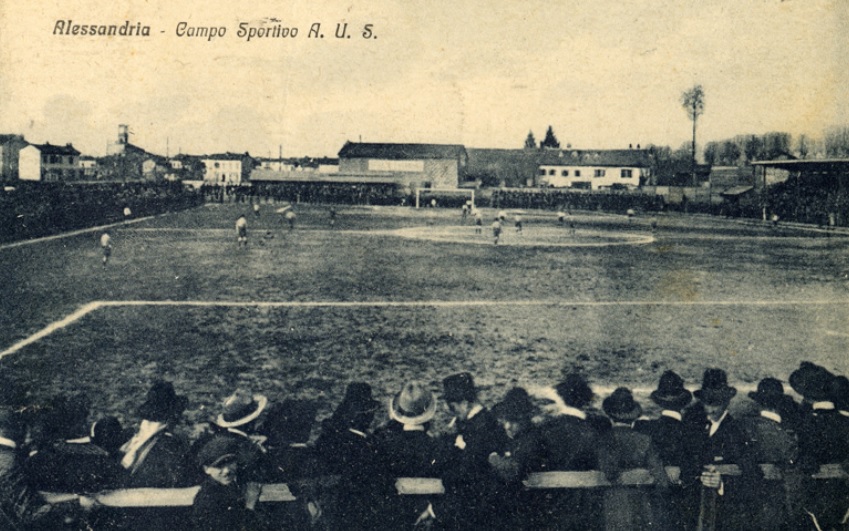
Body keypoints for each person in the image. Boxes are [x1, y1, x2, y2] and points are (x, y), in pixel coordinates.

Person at [682, 368, 759, 531]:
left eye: (716, 404)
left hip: (726, 518)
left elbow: (753, 476)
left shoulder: (738, 433)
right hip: (697, 515)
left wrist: (723, 484)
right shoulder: (694, 429)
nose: (710, 409)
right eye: (706, 403)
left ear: (726, 402)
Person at [534, 374, 610, 530]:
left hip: (551, 509)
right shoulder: (596, 429)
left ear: (561, 398)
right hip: (588, 510)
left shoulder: (546, 429)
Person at [372, 380, 445, 529]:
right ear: (428, 414)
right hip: (429, 519)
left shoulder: (385, 447)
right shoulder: (440, 447)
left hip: (394, 517)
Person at [440, 372, 509, 530]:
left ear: (464, 403)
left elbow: (465, 471)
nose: (452, 412)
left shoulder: (479, 428)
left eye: (453, 407)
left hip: (477, 511)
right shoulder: (482, 421)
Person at [598, 387, 670, 531]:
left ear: (611, 418)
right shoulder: (645, 440)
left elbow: (610, 471)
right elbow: (661, 479)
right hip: (642, 507)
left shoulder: (604, 440)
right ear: (633, 418)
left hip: (613, 508)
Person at [788, 361, 849, 530]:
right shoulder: (845, 422)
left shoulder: (805, 425)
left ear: (806, 397)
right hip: (843, 503)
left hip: (813, 504)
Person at [314, 383, 382, 530]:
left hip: (328, 515)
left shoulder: (327, 438)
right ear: (367, 416)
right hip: (357, 518)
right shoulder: (367, 448)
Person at [634, 370, 695, 530]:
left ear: (660, 402)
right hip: (684, 503)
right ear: (683, 403)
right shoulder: (691, 431)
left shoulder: (645, 428)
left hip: (651, 503)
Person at [740, 377, 802, 530]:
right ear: (781, 405)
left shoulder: (742, 425)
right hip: (774, 503)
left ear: (759, 402)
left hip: (744, 500)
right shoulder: (785, 437)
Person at [488, 387, 545, 530]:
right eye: (506, 420)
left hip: (526, 512)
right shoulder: (514, 439)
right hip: (512, 511)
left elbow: (513, 470)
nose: (507, 426)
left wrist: (493, 458)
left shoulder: (532, 439)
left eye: (513, 421)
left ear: (524, 419)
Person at [192, 436, 267, 531]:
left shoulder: (230, 486)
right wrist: (250, 505)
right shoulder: (208, 498)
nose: (226, 470)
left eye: (230, 463)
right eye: (219, 466)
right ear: (207, 469)